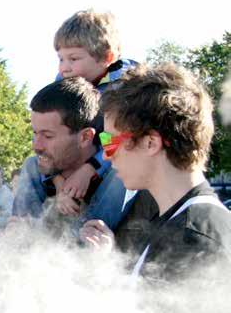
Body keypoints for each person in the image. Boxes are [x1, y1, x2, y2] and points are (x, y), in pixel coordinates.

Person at [79, 64, 231, 282]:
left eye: (110, 142)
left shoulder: (194, 238)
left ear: (151, 143)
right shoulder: (177, 222)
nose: (105, 156)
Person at [12, 77, 130, 237]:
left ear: (85, 137)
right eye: (35, 133)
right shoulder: (35, 169)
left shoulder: (121, 173)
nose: (36, 146)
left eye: (48, 136)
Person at [50, 9, 138, 218]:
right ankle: (20, 231)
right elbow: (48, 134)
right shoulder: (62, 84)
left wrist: (89, 170)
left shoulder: (126, 85)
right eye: (60, 59)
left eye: (73, 59)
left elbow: (118, 138)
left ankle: (91, 230)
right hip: (73, 161)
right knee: (32, 165)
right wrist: (59, 182)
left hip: (107, 161)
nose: (64, 68)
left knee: (126, 162)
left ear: (106, 57)